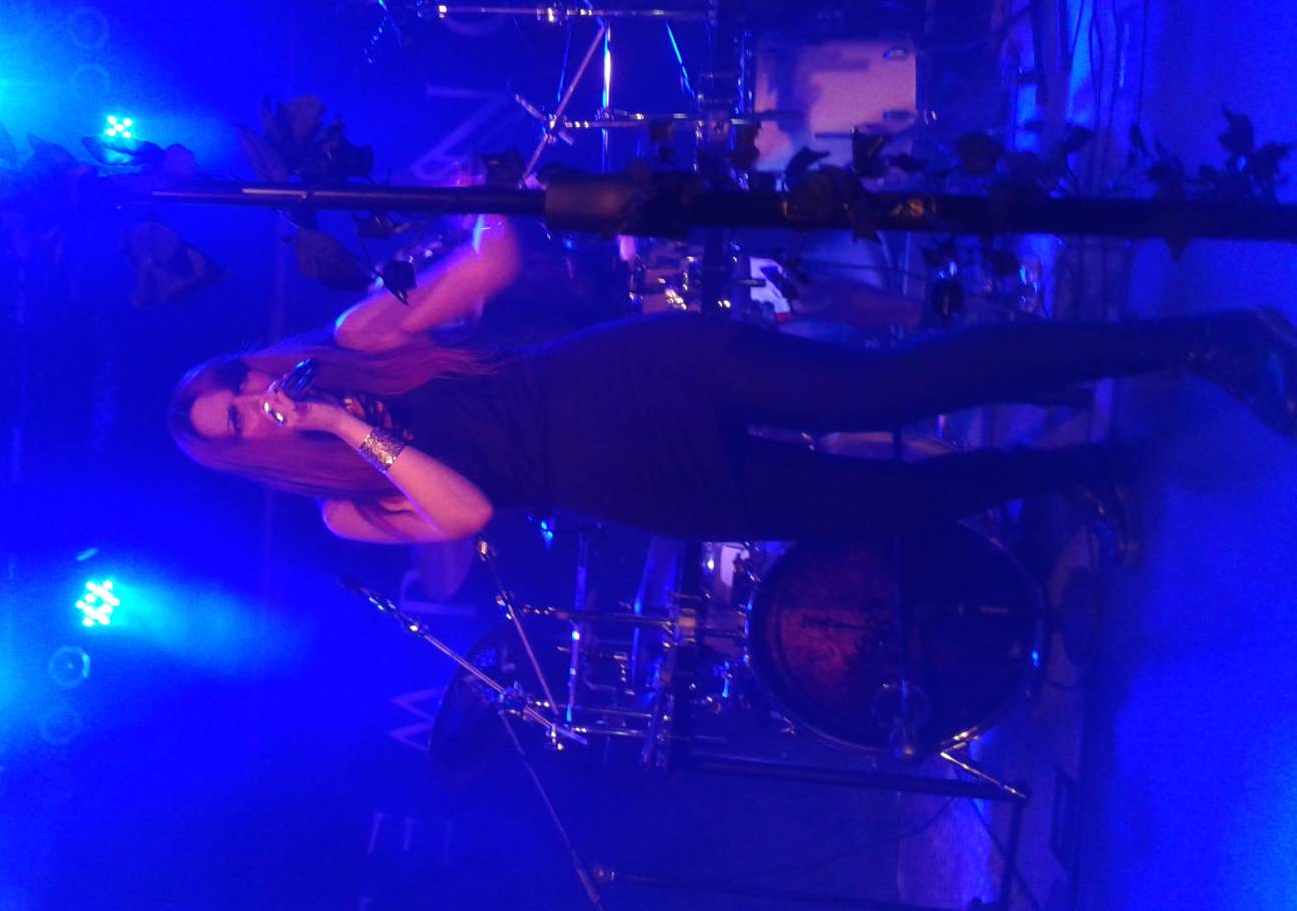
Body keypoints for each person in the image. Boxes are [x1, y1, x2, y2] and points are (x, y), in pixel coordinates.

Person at [168, 215, 1297, 544]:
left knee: (885, 391)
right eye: (237, 426)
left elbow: (491, 266)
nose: (256, 407)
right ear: (251, 453)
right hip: (640, 487)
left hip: (623, 381)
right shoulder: (348, 507)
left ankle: (1199, 341)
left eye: (240, 388)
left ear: (251, 366)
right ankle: (1084, 469)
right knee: (882, 506)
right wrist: (345, 428)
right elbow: (461, 515)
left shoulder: (357, 337)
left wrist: (473, 218)